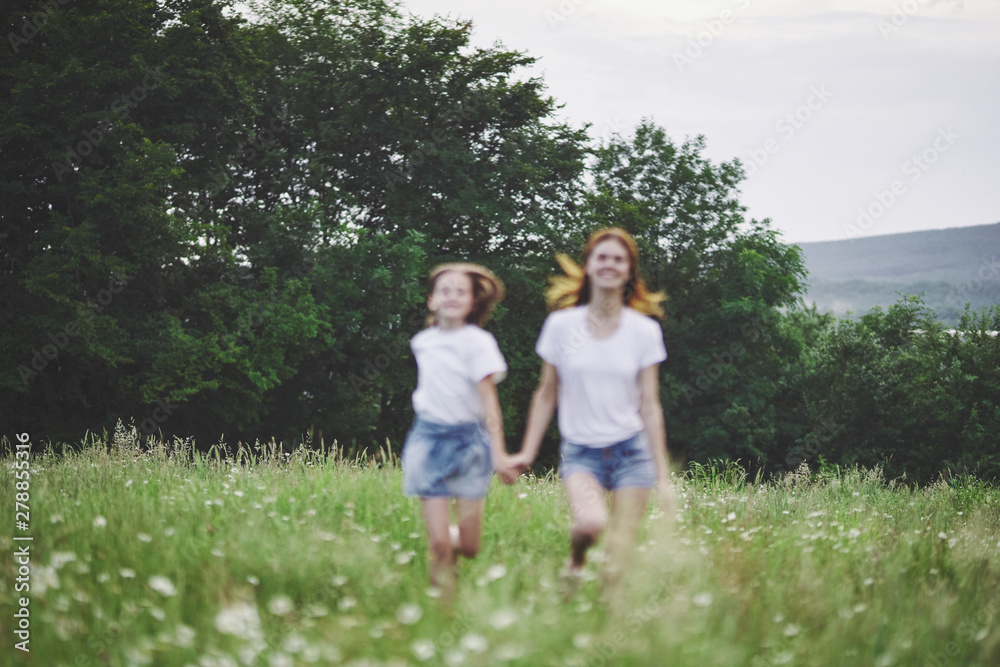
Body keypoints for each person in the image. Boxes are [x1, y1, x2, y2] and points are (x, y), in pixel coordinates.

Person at [509, 227, 676, 592]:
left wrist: (662, 477)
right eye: (602, 257)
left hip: (633, 452)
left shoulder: (644, 331)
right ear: (588, 265)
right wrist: (526, 452)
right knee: (591, 525)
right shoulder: (560, 326)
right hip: (582, 452)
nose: (610, 264)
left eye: (619, 259)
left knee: (619, 553)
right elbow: (546, 394)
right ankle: (576, 560)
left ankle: (604, 622)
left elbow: (650, 405)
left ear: (629, 270)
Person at [401, 262, 517, 594]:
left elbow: (489, 402)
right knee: (438, 544)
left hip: (469, 444)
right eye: (445, 290)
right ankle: (443, 611)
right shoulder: (423, 342)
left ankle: (454, 549)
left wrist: (499, 454)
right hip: (427, 439)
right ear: (431, 300)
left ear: (472, 302)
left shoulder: (478, 343)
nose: (452, 296)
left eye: (460, 291)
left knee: (469, 547)